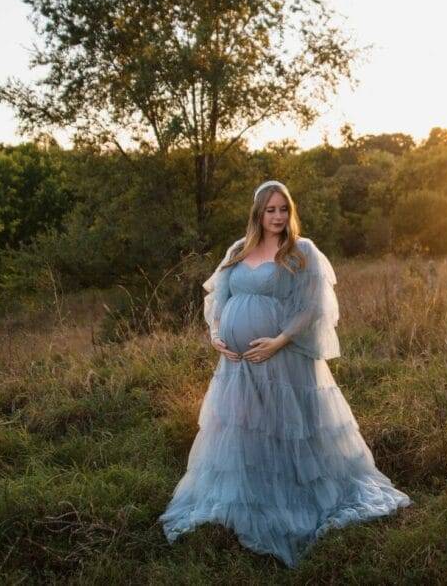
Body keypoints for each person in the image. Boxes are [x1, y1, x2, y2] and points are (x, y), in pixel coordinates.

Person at [158, 179, 411, 568]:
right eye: (270, 210)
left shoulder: (301, 251)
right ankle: (250, 494)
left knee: (286, 428)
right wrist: (216, 337)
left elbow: (313, 307)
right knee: (246, 427)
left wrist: (278, 341)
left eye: (283, 210)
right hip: (238, 365)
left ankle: (295, 498)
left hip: (282, 359)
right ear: (258, 213)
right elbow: (218, 299)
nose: (277, 217)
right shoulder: (238, 251)